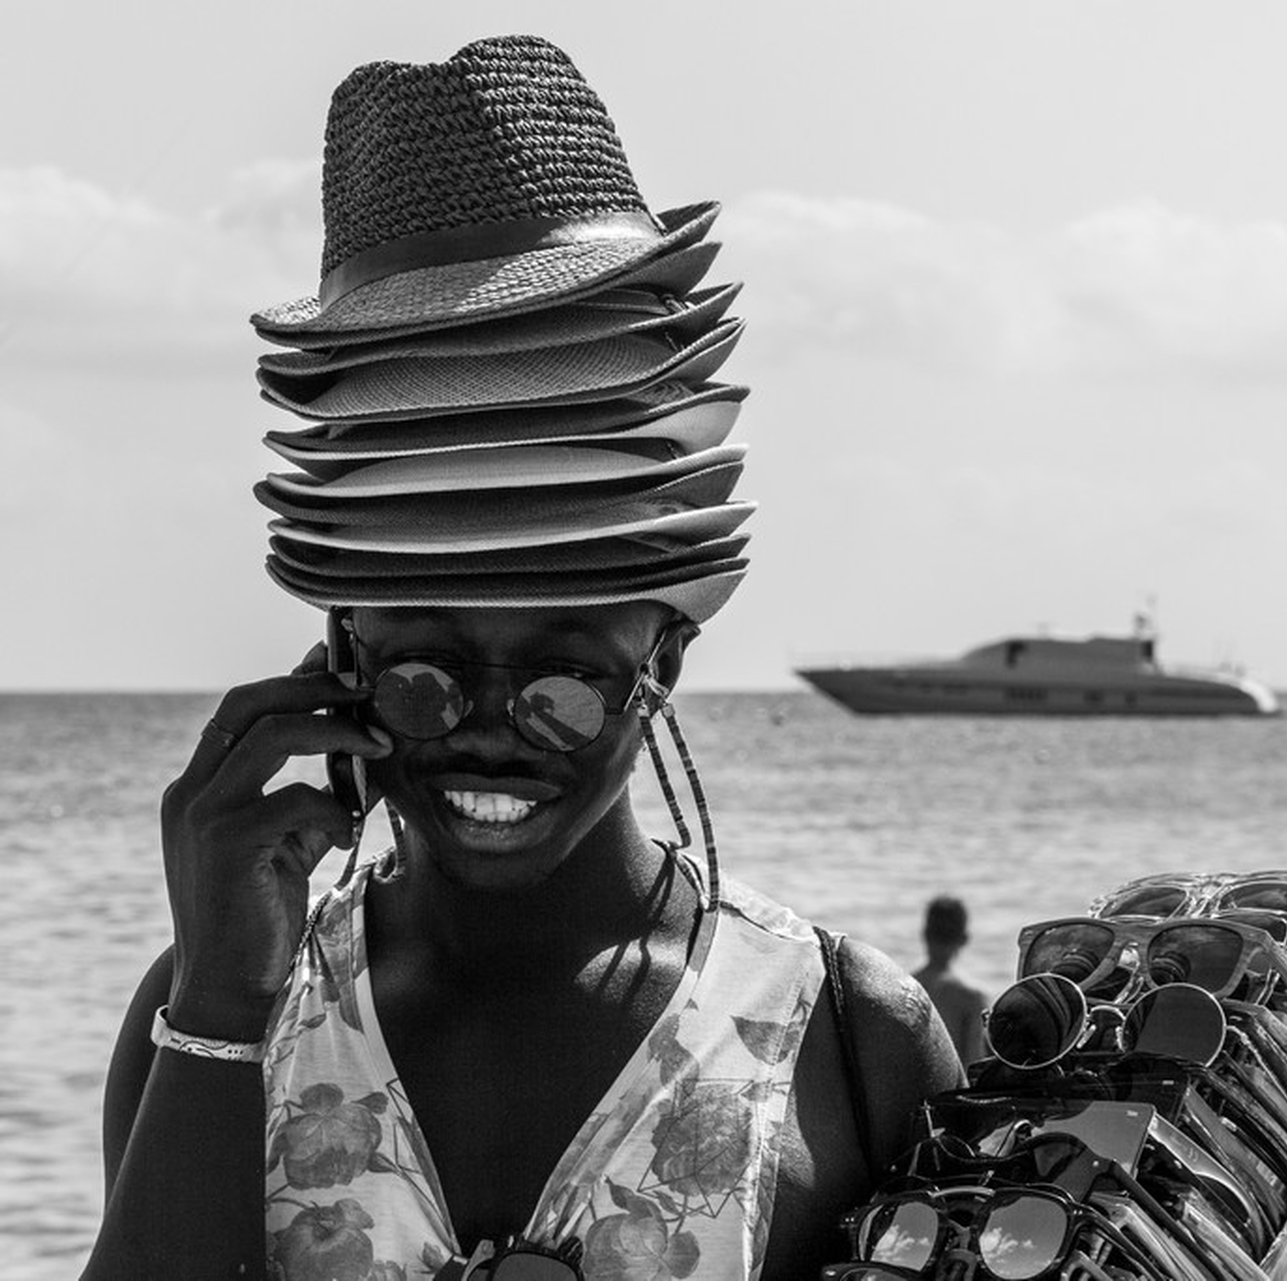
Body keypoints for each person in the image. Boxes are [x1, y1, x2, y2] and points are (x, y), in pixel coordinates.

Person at [83, 35, 962, 1281]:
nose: (490, 733)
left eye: (562, 686)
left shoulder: (842, 1039)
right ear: (337, 657)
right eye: (424, 679)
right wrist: (225, 1004)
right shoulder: (223, 1013)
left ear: (668, 649)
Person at [911, 896, 989, 1066]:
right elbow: (973, 1064)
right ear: (964, 938)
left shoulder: (900, 988)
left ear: (924, 934)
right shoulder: (971, 997)